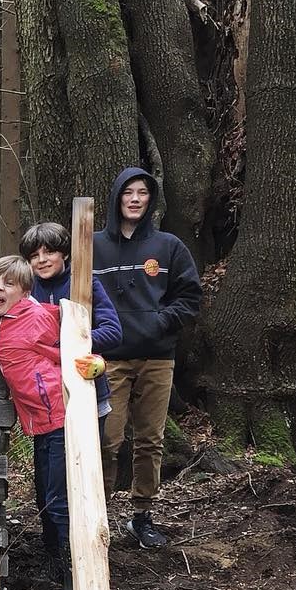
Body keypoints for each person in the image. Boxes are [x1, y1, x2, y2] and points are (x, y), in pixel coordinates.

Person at [0, 255, 102, 590]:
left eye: (9, 285)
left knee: (60, 501)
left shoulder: (38, 316)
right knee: (44, 497)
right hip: (38, 422)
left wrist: (94, 357)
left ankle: (76, 587)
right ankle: (56, 566)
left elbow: (78, 336)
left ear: (25, 291)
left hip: (61, 417)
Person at [92, 168, 202, 549]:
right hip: (109, 359)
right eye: (128, 193)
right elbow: (75, 296)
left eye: (142, 193)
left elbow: (189, 297)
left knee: (150, 440)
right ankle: (98, 515)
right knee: (107, 438)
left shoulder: (169, 246)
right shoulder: (92, 246)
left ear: (150, 200)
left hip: (156, 357)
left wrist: (160, 322)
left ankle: (142, 515)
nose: (135, 199)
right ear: (117, 198)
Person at [18, 221, 122, 562]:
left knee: (78, 481)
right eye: (34, 255)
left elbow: (113, 330)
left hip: (87, 398)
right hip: (45, 405)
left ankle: (85, 556)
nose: (42, 260)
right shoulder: (27, 290)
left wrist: (84, 348)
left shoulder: (84, 284)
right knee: (47, 486)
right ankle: (54, 556)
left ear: (64, 252)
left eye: (49, 252)